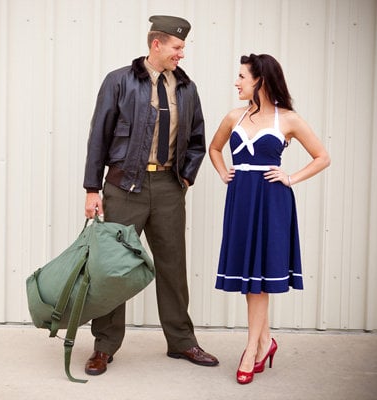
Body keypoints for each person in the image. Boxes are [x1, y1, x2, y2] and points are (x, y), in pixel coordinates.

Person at [82, 15, 218, 376]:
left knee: (173, 267)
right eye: (177, 47)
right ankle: (104, 347)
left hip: (168, 189)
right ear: (156, 44)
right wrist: (92, 189)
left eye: (183, 48)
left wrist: (185, 179)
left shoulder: (186, 88)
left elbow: (197, 140)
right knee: (114, 270)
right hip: (124, 187)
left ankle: (182, 342)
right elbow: (99, 137)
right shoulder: (119, 81)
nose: (182, 54)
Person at [208, 53, 330, 384]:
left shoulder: (288, 119)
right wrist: (223, 174)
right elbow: (215, 149)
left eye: (242, 77)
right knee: (251, 278)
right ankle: (265, 342)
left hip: (272, 201)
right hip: (241, 201)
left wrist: (291, 177)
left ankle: (251, 349)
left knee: (259, 279)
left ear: (260, 79)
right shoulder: (233, 116)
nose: (236, 82)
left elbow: (322, 157)